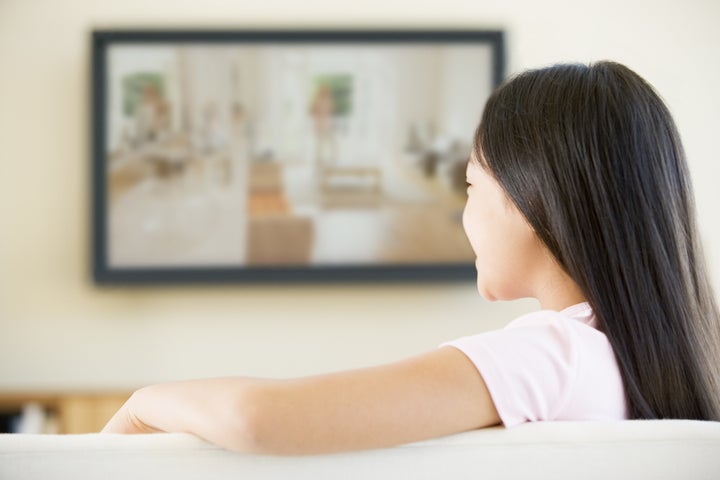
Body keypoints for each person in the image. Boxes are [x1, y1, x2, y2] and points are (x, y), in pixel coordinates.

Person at [101, 61, 720, 454]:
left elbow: (257, 420)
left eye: (473, 188)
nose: (463, 213)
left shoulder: (552, 354)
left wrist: (141, 403)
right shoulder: (634, 361)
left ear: (538, 202)